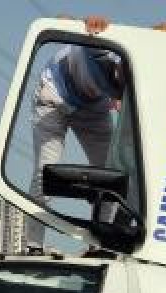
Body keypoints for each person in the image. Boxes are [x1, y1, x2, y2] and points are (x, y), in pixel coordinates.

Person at [26, 18, 127, 253]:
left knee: (112, 174)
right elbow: (64, 20)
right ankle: (33, 245)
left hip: (92, 107)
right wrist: (86, 22)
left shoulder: (130, 83)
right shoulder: (99, 48)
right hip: (54, 96)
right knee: (44, 171)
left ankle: (99, 244)